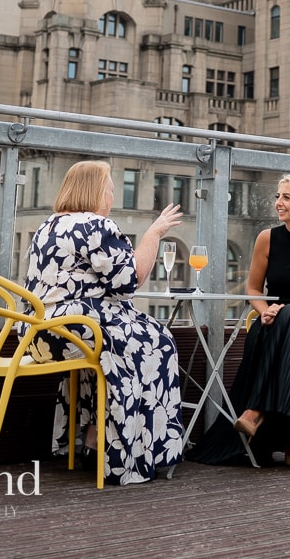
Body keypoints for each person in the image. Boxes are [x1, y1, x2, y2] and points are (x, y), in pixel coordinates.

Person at [22, 160, 184, 485]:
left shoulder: (48, 225)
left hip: (39, 334)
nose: (112, 196)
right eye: (110, 189)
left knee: (115, 345)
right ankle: (123, 451)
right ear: (97, 192)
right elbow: (129, 282)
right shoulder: (95, 226)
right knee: (157, 340)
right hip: (75, 330)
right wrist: (154, 232)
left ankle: (93, 438)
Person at [189, 173, 290, 469]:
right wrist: (265, 311)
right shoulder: (266, 239)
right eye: (277, 196)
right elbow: (253, 290)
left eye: (286, 197)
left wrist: (284, 311)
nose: (278, 203)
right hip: (273, 321)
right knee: (273, 326)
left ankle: (256, 411)